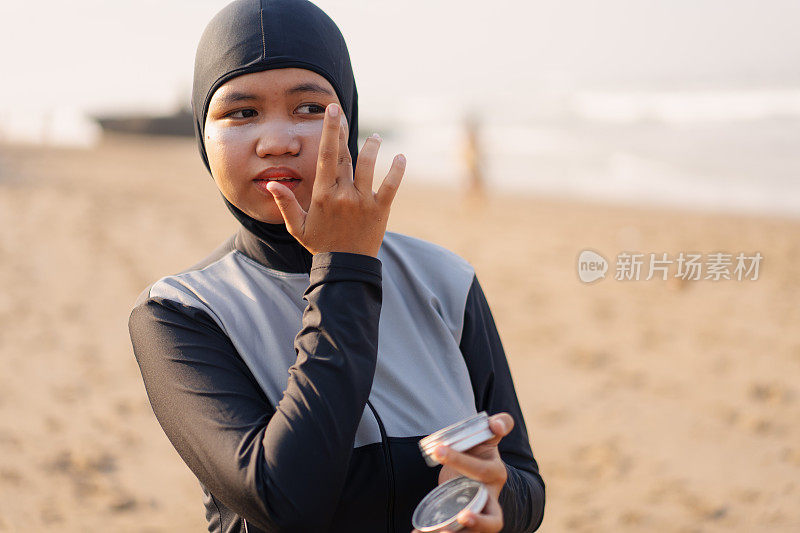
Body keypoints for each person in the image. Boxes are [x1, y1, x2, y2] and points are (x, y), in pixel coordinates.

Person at [127, 0, 545, 531]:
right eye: (241, 112)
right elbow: (285, 500)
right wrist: (344, 266)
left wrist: (497, 500)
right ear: (202, 139)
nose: (277, 140)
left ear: (347, 116)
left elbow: (525, 480)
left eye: (308, 108)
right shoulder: (179, 313)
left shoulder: (445, 278)